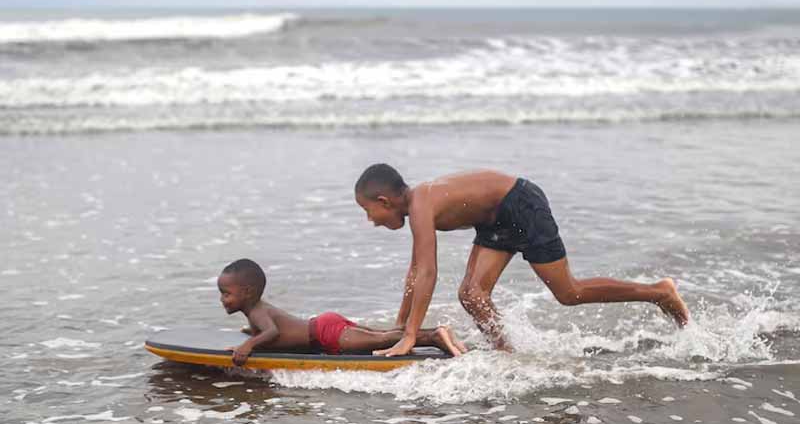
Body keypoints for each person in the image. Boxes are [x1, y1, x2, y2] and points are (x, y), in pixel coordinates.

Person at [354, 164, 690, 356]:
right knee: (471, 294)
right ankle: (507, 354)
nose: (371, 220)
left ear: (384, 200)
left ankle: (660, 292)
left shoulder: (420, 206)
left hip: (521, 205)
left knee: (568, 293)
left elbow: (428, 270)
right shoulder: (419, 204)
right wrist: (401, 326)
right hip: (496, 219)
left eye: (369, 212)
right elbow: (415, 270)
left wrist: (411, 334)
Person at [217, 258, 466, 366]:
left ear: (247, 292)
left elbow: (271, 332)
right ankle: (439, 335)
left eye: (226, 293)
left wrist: (248, 345)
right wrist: (251, 334)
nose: (222, 299)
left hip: (326, 335)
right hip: (326, 324)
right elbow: (271, 329)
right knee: (382, 334)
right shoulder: (258, 310)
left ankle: (435, 336)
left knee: (381, 339)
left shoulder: (258, 312)